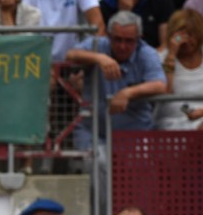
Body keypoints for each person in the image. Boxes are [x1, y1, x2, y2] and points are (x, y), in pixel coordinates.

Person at [66, 10, 166, 148]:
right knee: (93, 163)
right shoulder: (97, 45)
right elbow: (70, 54)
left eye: (129, 41)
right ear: (109, 36)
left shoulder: (146, 53)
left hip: (135, 133)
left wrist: (127, 93)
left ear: (139, 39)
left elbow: (160, 85)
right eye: (117, 39)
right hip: (93, 132)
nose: (122, 46)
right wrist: (99, 58)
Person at [155, 8, 203, 131]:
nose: (186, 41)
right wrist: (171, 55)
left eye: (190, 35)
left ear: (200, 34)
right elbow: (165, 91)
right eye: (181, 36)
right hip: (172, 121)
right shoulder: (160, 58)